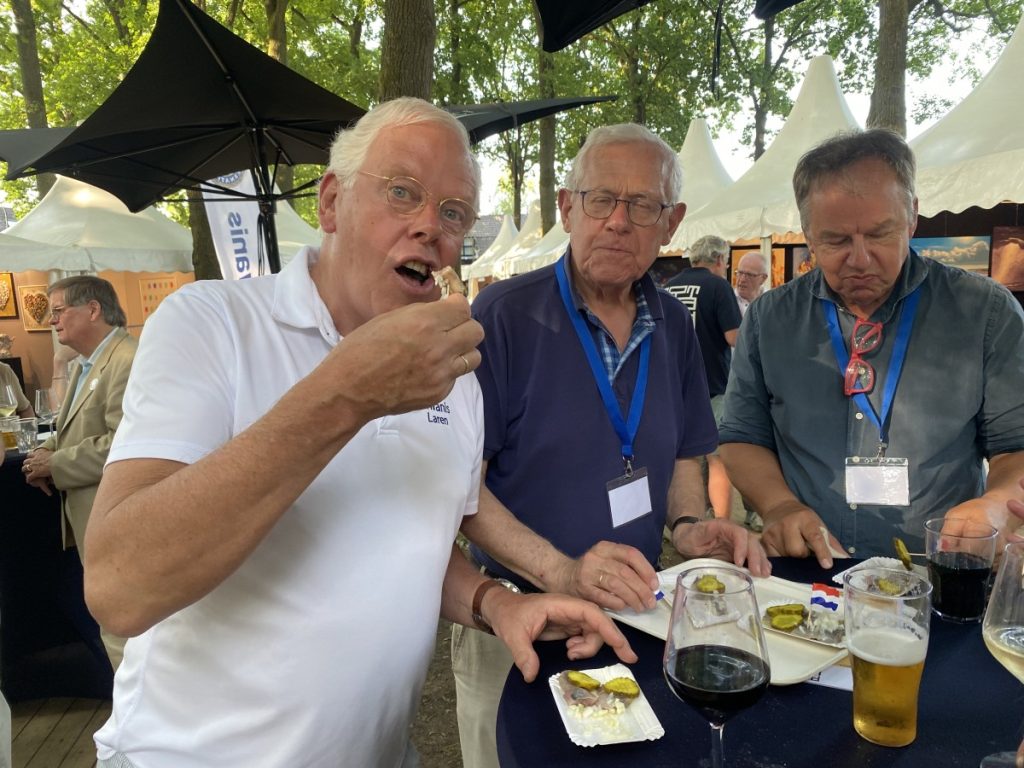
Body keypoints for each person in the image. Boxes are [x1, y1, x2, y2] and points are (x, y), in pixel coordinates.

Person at [82, 98, 637, 768]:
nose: (430, 224)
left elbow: (414, 537)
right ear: (331, 202)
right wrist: (348, 392)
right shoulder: (210, 322)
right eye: (402, 191)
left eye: (454, 212)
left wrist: (496, 603)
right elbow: (119, 588)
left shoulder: (453, 374)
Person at [454, 123, 769, 768]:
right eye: (600, 200)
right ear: (568, 208)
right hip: (516, 617)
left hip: (633, 614)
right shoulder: (502, 318)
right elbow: (462, 490)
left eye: (643, 205)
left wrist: (689, 524)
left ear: (671, 222)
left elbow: (683, 452)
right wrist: (562, 573)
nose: (619, 221)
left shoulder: (674, 323)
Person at [719, 129, 1024, 567]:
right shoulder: (770, 318)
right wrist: (779, 506)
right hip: (810, 569)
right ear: (807, 233)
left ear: (912, 217)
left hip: (938, 571)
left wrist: (995, 505)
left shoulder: (985, 312)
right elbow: (742, 437)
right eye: (836, 240)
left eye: (880, 234)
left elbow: (1015, 444)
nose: (860, 259)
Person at [22, 275, 136, 668]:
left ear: (93, 309)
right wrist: (46, 450)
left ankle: (138, 702)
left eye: (58, 311)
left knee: (125, 631)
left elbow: (126, 445)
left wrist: (55, 465)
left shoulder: (126, 361)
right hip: (95, 521)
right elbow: (72, 427)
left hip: (117, 520)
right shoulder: (88, 363)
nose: (52, 321)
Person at [665, 235, 743, 520]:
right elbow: (734, 337)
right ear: (720, 259)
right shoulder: (718, 286)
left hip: (672, 385)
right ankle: (721, 522)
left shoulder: (669, 287)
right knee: (717, 458)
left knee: (680, 459)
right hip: (711, 384)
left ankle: (682, 522)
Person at [734, 250, 768, 317]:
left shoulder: (771, 301)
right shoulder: (728, 300)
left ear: (763, 278)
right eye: (740, 273)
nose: (742, 279)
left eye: (749, 275)